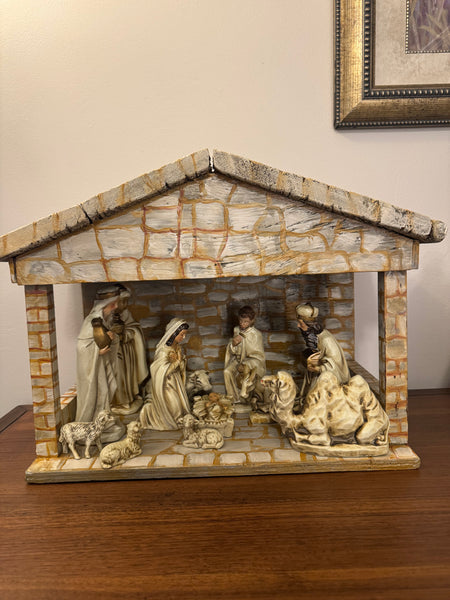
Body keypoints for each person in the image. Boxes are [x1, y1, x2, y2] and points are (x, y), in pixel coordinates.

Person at [75, 286, 125, 441]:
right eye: (112, 304)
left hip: (102, 366)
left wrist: (112, 338)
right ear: (103, 306)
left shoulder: (102, 320)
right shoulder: (91, 321)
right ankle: (89, 426)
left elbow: (104, 340)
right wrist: (97, 352)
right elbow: (82, 347)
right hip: (93, 369)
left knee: (108, 390)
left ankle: (103, 422)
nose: (115, 307)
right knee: (98, 394)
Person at [140, 318, 191, 430]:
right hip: (165, 385)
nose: (184, 337)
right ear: (174, 333)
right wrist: (177, 362)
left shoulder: (177, 347)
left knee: (179, 407)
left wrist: (182, 361)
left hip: (175, 381)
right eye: (182, 334)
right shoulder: (163, 350)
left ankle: (179, 420)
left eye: (185, 334)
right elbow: (160, 371)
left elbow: (180, 366)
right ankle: (149, 412)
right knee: (174, 406)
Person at [296, 302, 350, 401]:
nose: (298, 326)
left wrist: (318, 369)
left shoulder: (326, 340)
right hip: (318, 376)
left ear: (309, 325)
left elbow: (336, 364)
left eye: (301, 323)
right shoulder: (315, 338)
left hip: (330, 382)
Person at [109, 285, 149, 414]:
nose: (125, 305)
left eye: (126, 301)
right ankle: (116, 402)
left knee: (126, 376)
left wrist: (125, 334)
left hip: (127, 351)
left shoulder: (126, 314)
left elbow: (135, 329)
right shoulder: (106, 316)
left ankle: (127, 400)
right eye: (122, 301)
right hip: (113, 353)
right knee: (117, 376)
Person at [224, 305, 266, 403]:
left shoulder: (256, 334)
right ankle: (233, 398)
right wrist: (233, 344)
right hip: (238, 360)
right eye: (241, 321)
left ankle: (246, 397)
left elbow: (258, 356)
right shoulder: (236, 330)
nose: (242, 324)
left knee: (245, 373)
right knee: (227, 371)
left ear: (252, 321)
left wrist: (246, 363)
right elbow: (232, 351)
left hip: (251, 362)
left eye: (246, 321)